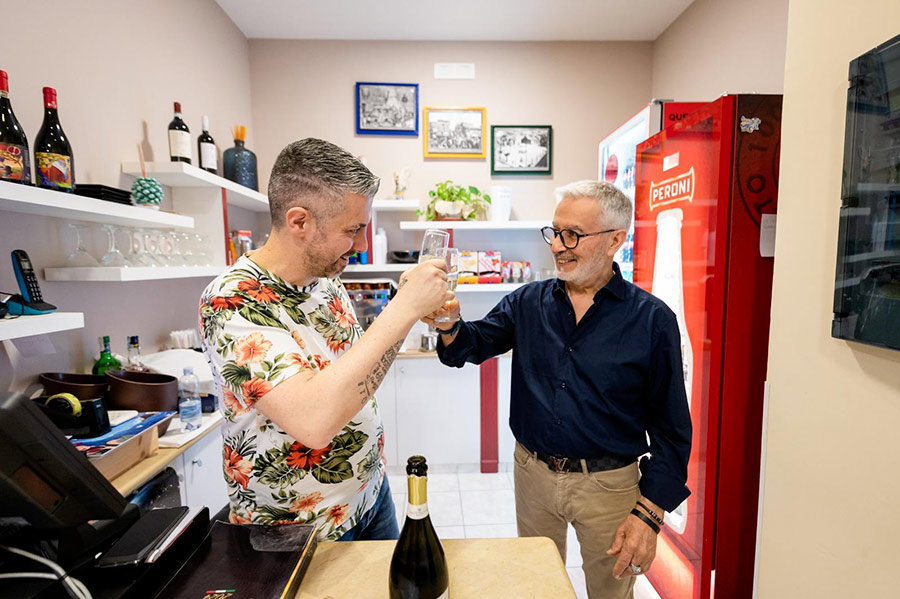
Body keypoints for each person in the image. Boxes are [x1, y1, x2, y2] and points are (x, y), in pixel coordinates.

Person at [426, 180, 692, 599]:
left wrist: (649, 513)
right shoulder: (527, 302)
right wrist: (448, 324)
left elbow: (672, 430)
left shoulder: (652, 320)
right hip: (533, 474)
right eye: (554, 232)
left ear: (615, 240)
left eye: (573, 234)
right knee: (536, 586)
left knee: (610, 593)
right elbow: (471, 345)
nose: (557, 246)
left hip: (608, 486)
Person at [200, 138, 452, 542]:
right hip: (297, 529)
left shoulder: (325, 280)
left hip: (369, 495)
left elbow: (359, 373)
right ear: (299, 222)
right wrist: (403, 308)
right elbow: (313, 424)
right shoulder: (232, 301)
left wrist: (410, 313)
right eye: (353, 230)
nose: (362, 245)